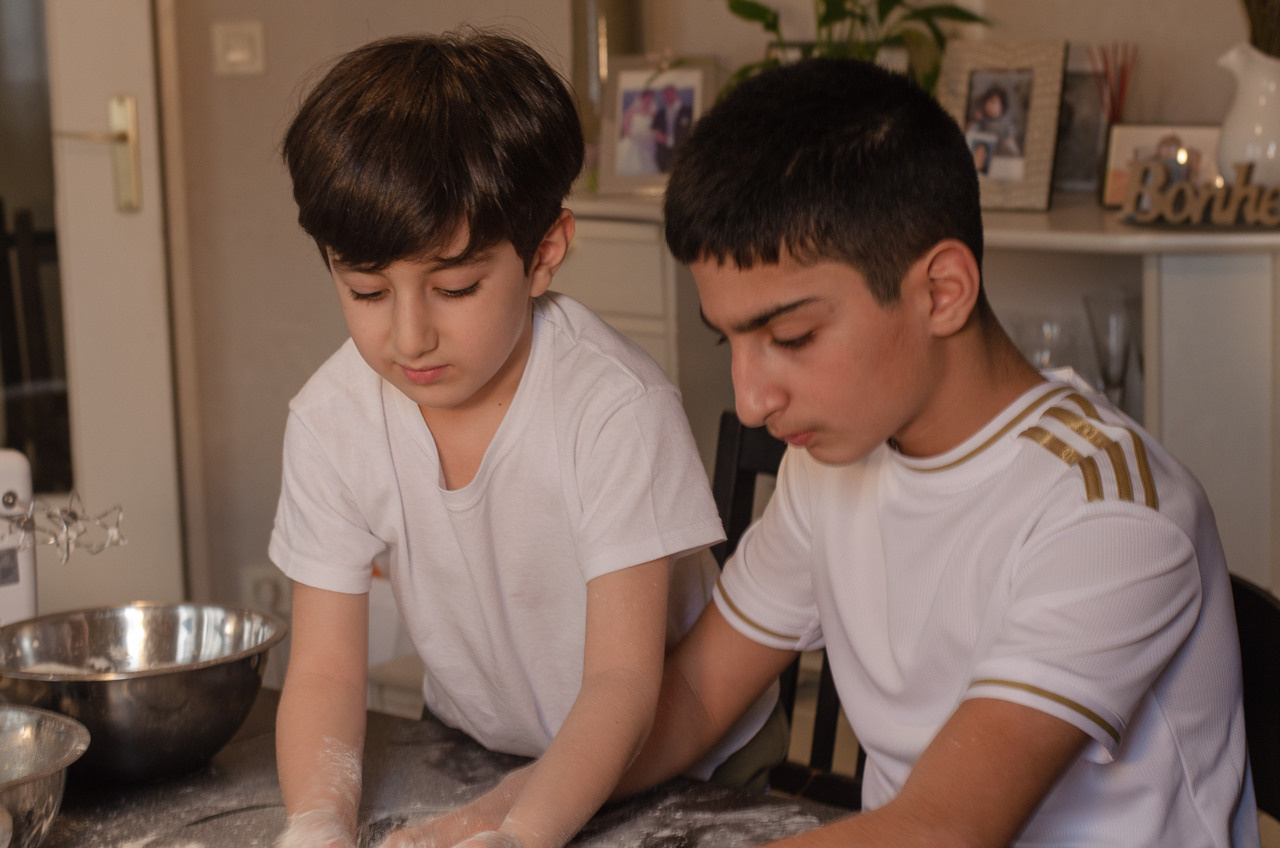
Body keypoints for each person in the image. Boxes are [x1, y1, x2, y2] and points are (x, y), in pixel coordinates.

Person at [613, 57, 1260, 847]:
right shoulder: (826, 467)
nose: (751, 401)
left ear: (942, 291)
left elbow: (944, 830)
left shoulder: (1111, 511)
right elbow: (695, 696)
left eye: (791, 338)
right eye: (732, 341)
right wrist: (521, 812)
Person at [269, 30, 780, 848]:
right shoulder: (333, 420)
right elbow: (326, 672)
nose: (409, 337)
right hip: (481, 748)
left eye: (457, 287)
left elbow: (621, 684)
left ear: (545, 255)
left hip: (689, 763)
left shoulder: (613, 409)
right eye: (366, 290)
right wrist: (317, 824)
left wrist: (520, 836)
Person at [651, 84, 693, 173]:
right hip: (664, 153)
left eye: (670, 94)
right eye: (665, 95)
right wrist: (658, 135)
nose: (668, 97)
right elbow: (654, 129)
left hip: (682, 151)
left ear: (675, 94)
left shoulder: (688, 111)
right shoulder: (660, 113)